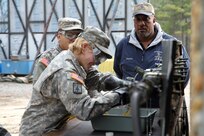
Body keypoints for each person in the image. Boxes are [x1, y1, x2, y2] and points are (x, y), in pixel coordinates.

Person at [19, 26, 130, 136]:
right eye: (98, 56)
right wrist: (119, 96)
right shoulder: (65, 71)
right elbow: (84, 109)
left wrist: (124, 84)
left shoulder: (74, 59)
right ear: (84, 46)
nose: (98, 62)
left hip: (57, 126)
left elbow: (96, 78)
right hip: (40, 131)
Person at [113, 2, 190, 107]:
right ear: (134, 21)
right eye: (138, 19)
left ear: (154, 20)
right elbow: (119, 72)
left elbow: (184, 75)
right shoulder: (123, 45)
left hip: (162, 110)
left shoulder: (172, 44)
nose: (142, 23)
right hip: (130, 109)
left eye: (146, 19)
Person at [32, 17, 83, 84]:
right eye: (70, 35)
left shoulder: (82, 57)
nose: (74, 39)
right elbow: (38, 88)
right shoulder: (47, 58)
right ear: (59, 36)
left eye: (78, 35)